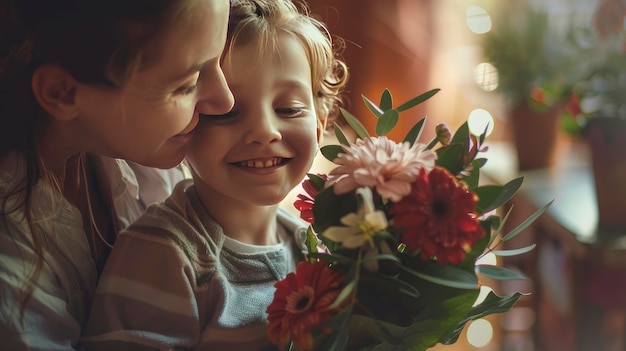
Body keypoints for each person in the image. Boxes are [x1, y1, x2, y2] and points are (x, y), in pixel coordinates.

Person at [80, 0, 348, 350]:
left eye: (289, 109)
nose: (265, 131)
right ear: (186, 123)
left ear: (320, 125)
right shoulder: (164, 253)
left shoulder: (315, 248)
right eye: (229, 111)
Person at [0, 0, 234, 350]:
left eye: (218, 61)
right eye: (187, 84)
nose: (226, 100)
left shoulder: (144, 153)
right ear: (61, 93)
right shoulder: (12, 268)